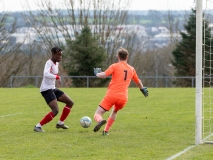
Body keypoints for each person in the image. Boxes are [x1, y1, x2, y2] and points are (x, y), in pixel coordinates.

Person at [93, 47, 148, 135]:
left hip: (112, 95)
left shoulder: (114, 66)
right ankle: (106, 131)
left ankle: (100, 120)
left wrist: (97, 74)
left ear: (118, 57)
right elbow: (138, 81)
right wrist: (142, 89)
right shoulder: (131, 69)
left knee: (98, 113)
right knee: (115, 111)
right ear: (127, 57)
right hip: (123, 98)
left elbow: (104, 75)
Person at [34, 46, 74, 132]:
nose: (61, 57)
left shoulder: (56, 63)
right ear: (53, 54)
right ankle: (38, 126)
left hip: (53, 88)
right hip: (46, 90)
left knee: (70, 102)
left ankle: (60, 123)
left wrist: (58, 79)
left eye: (61, 55)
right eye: (59, 55)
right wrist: (56, 77)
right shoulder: (49, 63)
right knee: (55, 110)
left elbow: (54, 75)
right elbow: (46, 74)